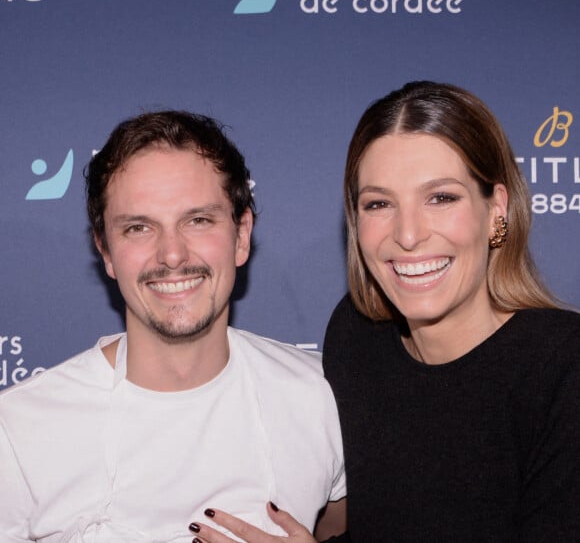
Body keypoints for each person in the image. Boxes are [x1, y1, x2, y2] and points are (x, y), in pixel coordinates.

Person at [191, 81, 580, 543]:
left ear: (496, 209)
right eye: (379, 204)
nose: (409, 234)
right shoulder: (358, 338)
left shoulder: (564, 368)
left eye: (441, 197)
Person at [0, 111, 346, 542]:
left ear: (241, 235)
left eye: (198, 220)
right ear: (105, 251)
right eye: (139, 227)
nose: (172, 254)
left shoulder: (321, 395)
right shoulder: (17, 430)